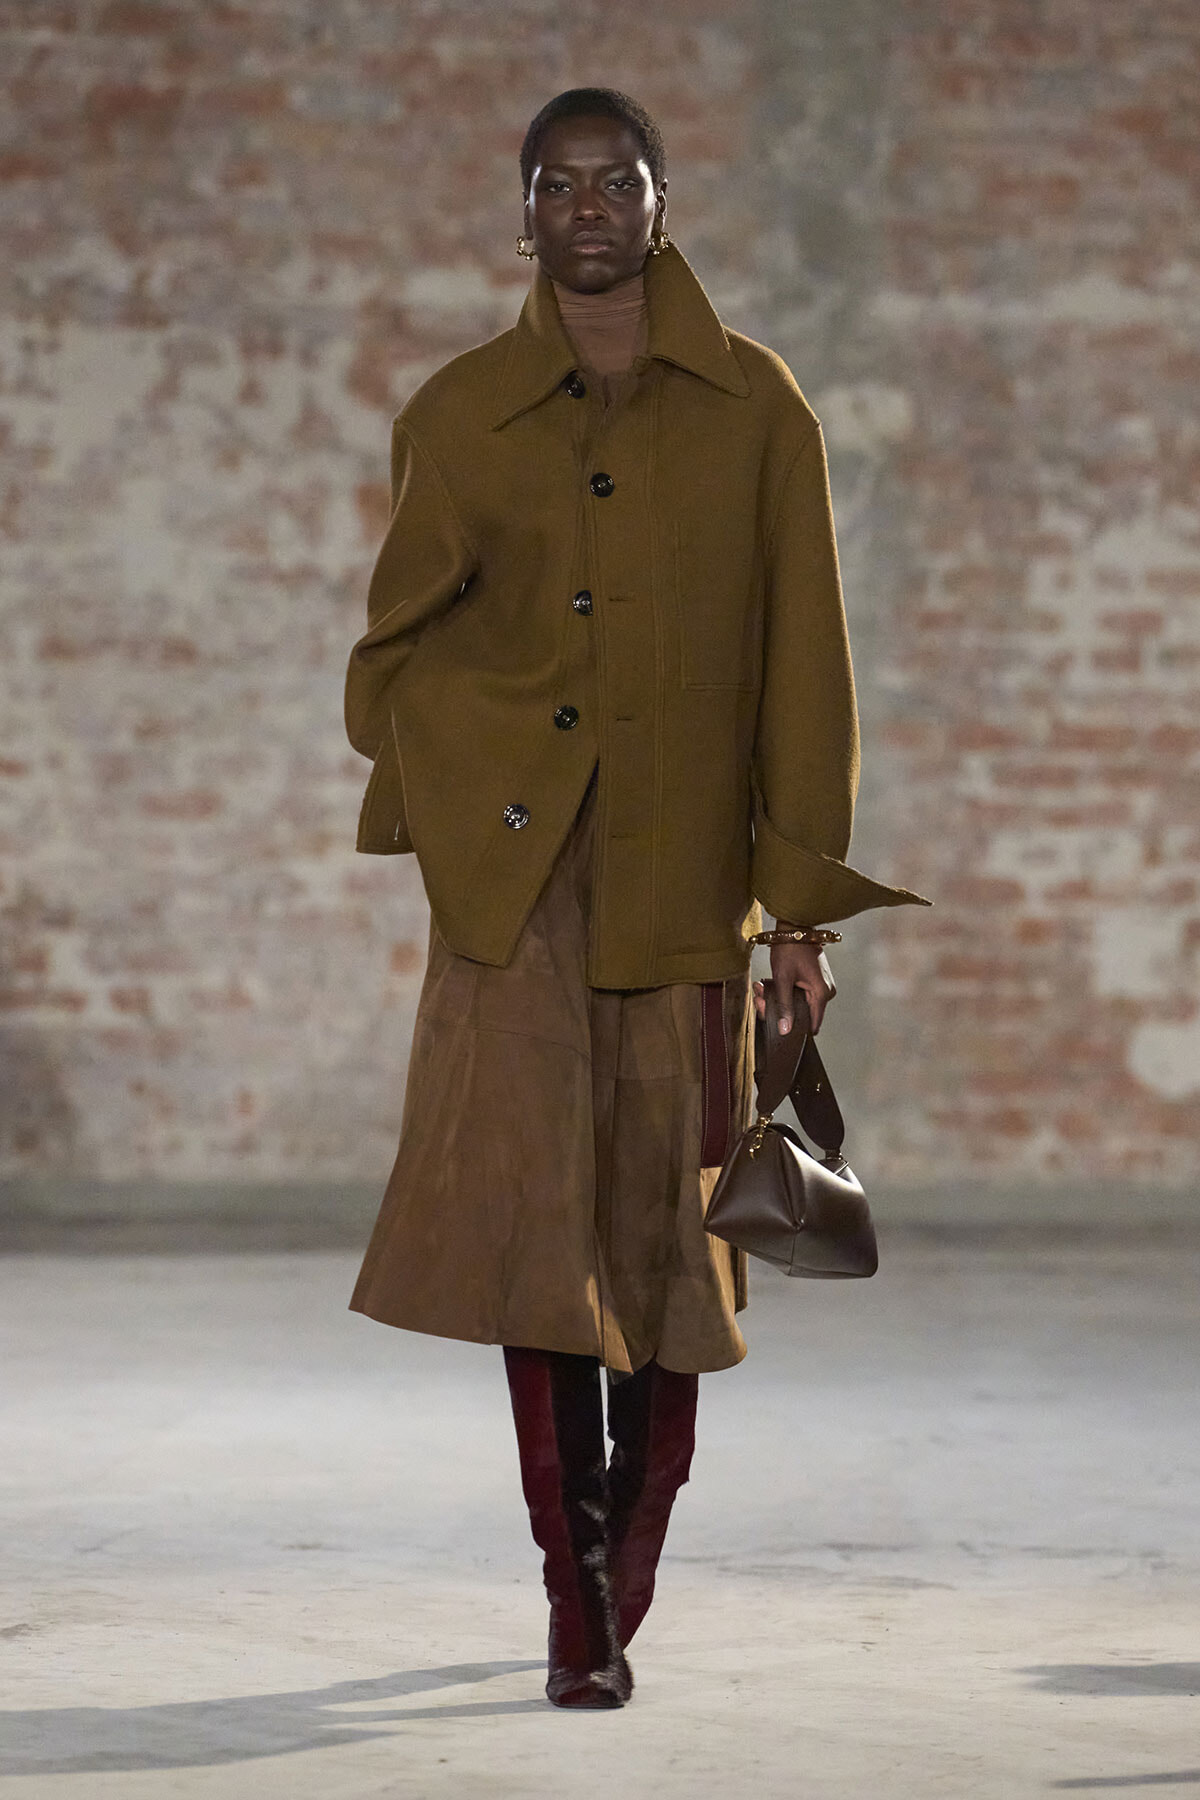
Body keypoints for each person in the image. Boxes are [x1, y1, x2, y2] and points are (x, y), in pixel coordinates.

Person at [343, 86, 929, 1709]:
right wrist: (476, 781)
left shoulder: (758, 410)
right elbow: (392, 655)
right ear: (522, 211)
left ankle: (639, 1522)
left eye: (621, 179)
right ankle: (571, 1582)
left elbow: (807, 671)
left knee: (675, 1234)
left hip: (686, 886)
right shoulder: (461, 416)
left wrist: (798, 911)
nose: (591, 205)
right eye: (560, 182)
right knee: (537, 1223)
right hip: (523, 893)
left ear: (663, 204)